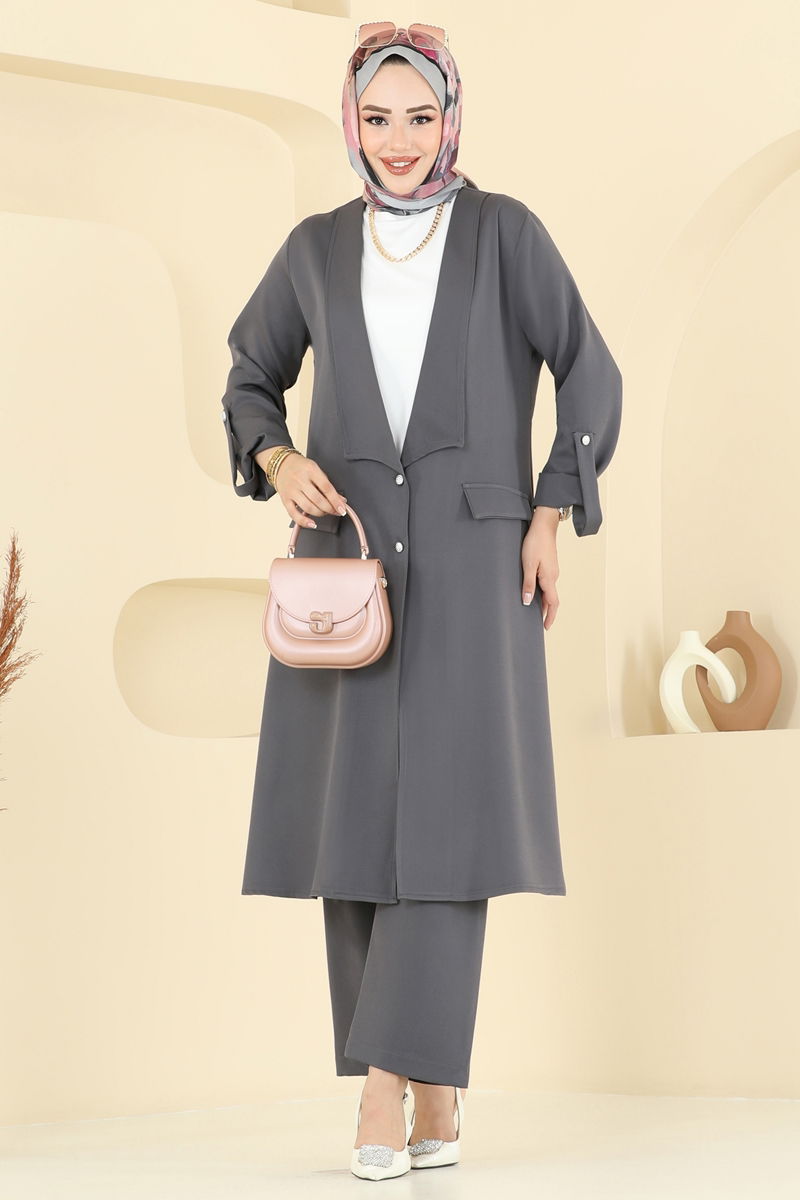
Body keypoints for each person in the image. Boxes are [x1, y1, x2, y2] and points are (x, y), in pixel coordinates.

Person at [220, 21, 622, 1181]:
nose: (398, 140)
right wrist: (275, 458)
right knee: (352, 828)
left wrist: (549, 511)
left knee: (446, 824)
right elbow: (249, 377)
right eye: (376, 118)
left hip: (474, 560)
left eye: (419, 115)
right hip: (344, 571)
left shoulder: (504, 234)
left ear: (450, 118)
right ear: (351, 124)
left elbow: (587, 370)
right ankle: (434, 1086)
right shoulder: (312, 249)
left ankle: (383, 1089)